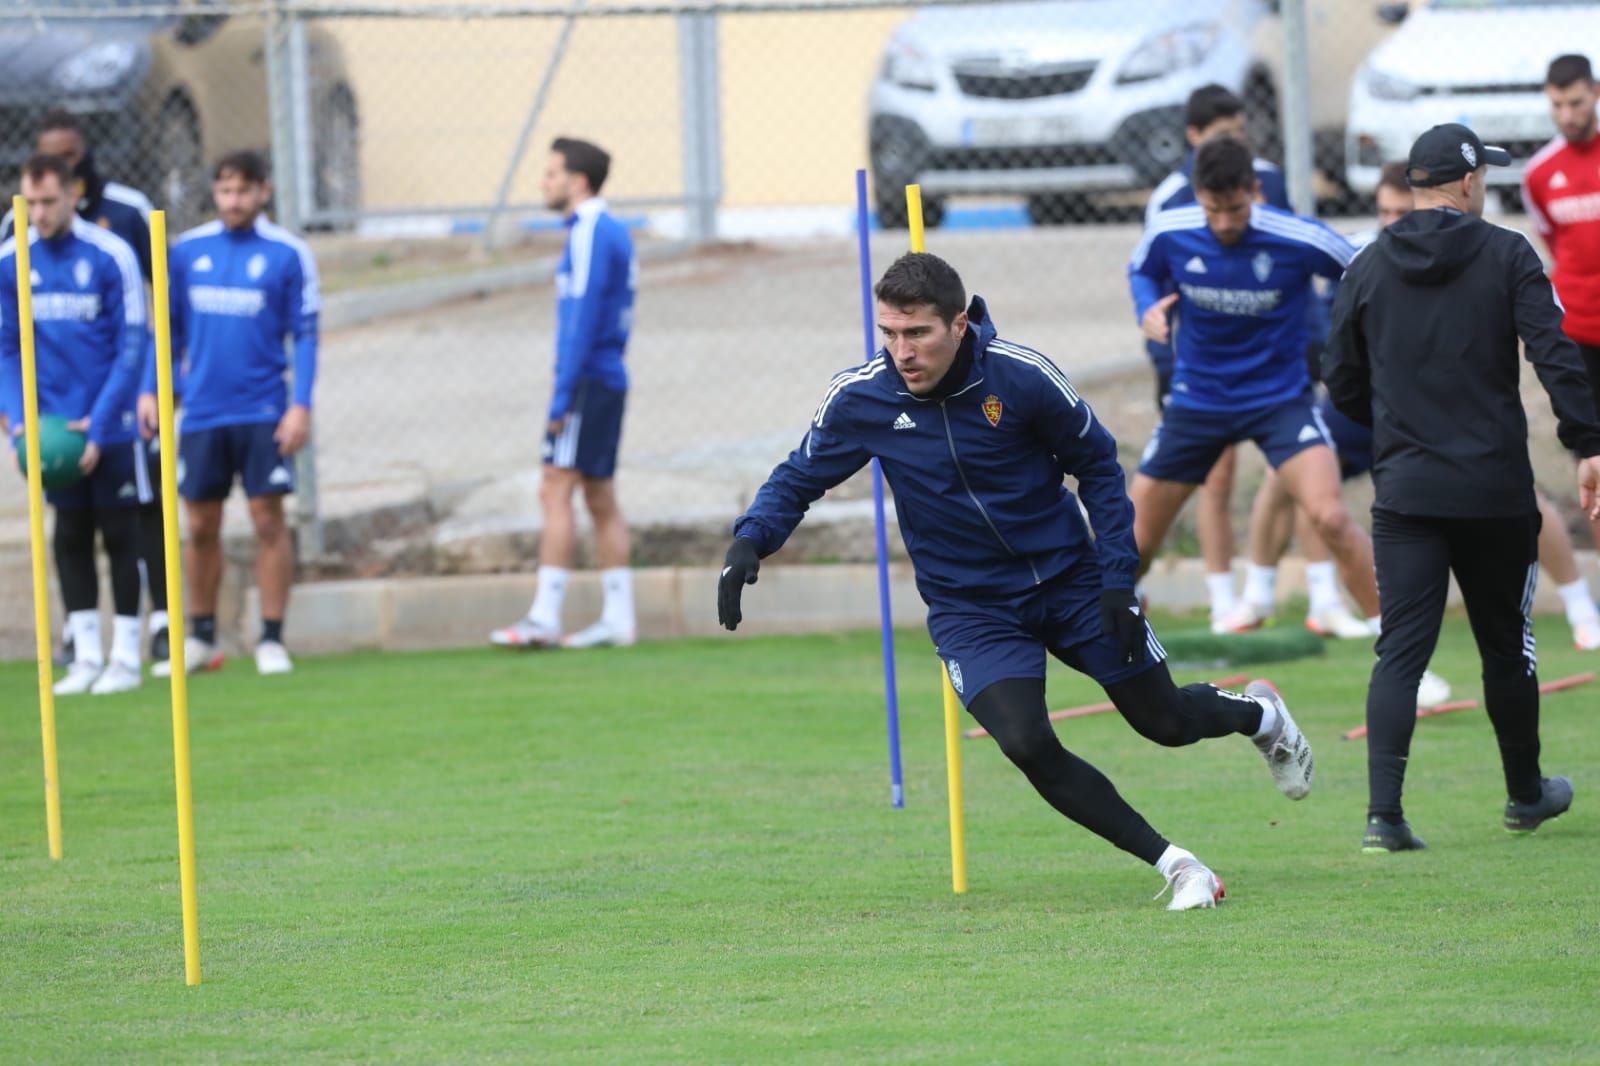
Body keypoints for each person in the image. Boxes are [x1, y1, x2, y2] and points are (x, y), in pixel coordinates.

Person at [718, 252, 1314, 911]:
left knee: (1165, 723)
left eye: (917, 334)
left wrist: (1118, 579)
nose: (901, 352)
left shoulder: (1023, 379)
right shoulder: (863, 397)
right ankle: (1179, 866)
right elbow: (798, 478)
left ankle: (1261, 715)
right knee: (1027, 741)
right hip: (971, 609)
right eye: (889, 333)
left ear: (960, 323)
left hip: (1073, 582)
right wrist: (751, 539)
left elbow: (1101, 471)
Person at [1326, 123, 1600, 852]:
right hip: (1494, 492)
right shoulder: (1507, 254)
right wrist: (1587, 442)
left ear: (1418, 187)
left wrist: (1392, 429)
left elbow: (1340, 376)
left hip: (1407, 492)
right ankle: (1524, 794)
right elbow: (1555, 354)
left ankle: (1384, 816)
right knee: (1506, 646)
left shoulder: (1369, 264)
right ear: (1472, 181)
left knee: (1401, 651)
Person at [1240, 161, 1600, 652]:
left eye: (1400, 210)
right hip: (1368, 406)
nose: (1392, 220)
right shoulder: (1362, 256)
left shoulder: (1464, 256)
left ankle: (1580, 606)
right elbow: (1332, 346)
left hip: (1435, 412)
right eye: (1384, 211)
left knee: (1522, 494)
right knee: (1295, 470)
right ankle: (1289, 597)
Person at [1127, 137, 1381, 631]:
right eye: (1212, 210)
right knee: (1131, 544)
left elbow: (1362, 264)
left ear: (1256, 191)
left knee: (1330, 517)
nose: (1224, 223)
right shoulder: (1170, 231)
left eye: (1236, 209)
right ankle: (1104, 638)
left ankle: (1402, 661)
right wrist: (1147, 309)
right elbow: (1142, 269)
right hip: (1197, 402)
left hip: (1280, 402)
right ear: (1198, 195)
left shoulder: (1295, 237)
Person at [1, 110, 170, 674]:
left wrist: (99, 425)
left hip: (110, 419)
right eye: (31, 203)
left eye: (49, 201)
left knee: (119, 529)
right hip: (50, 423)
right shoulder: (10, 258)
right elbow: (5, 349)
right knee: (68, 532)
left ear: (72, 196)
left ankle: (125, 655)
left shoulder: (110, 253)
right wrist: (18, 416)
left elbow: (132, 343)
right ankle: (85, 655)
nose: (39, 214)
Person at [139, 151, 319, 676]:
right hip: (202, 412)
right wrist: (154, 389)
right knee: (199, 523)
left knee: (267, 518)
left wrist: (301, 404)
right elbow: (165, 331)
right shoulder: (187, 250)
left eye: (242, 191)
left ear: (263, 192)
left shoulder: (288, 254)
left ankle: (271, 637)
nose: (232, 201)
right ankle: (200, 637)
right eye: (224, 191)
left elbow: (305, 335)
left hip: (264, 409)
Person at [1142, 85, 1291, 631]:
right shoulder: (1170, 199)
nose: (1233, 143)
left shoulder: (1269, 179)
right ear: (1194, 138)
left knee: (1297, 476)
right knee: (1215, 477)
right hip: (1202, 372)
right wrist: (1165, 361)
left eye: (1238, 132)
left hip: (1273, 366)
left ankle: (1300, 595)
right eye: (1221, 135)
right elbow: (1151, 280)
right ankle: (1221, 596)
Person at [492, 138, 637, 650]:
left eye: (551, 173)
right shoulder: (611, 230)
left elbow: (581, 317)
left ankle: (544, 617)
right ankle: (619, 619)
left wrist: (561, 397)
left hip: (587, 379)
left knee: (554, 486)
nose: (544, 182)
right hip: (607, 376)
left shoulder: (590, 231)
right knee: (599, 495)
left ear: (578, 181)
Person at [1523, 52, 1600, 635]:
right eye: (1557, 105)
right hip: (1578, 340)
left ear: (1594, 94)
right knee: (1593, 465)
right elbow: (1553, 242)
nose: (1567, 115)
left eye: (1575, 102)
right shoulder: (1538, 174)